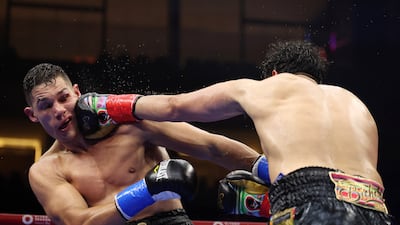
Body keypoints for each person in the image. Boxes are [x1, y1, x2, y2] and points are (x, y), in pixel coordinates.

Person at [77, 40, 396, 224]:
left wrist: (110, 105)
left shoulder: (264, 89)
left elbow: (175, 107)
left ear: (273, 74)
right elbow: (341, 184)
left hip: (308, 205)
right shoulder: (356, 105)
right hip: (377, 208)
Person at [22, 63, 266, 225]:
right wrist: (146, 190)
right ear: (32, 115)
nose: (59, 110)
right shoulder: (46, 170)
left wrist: (272, 171)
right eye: (45, 106)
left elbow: (211, 146)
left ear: (77, 92)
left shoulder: (129, 124)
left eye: (64, 98)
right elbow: (78, 222)